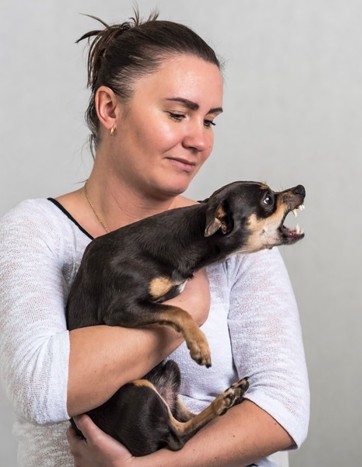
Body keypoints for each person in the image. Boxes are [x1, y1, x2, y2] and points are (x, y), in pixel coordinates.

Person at [0, 11, 309, 467]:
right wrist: (185, 312)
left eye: (210, 121)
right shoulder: (37, 231)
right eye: (178, 114)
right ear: (110, 109)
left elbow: (284, 411)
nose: (199, 140)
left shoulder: (232, 235)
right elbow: (43, 389)